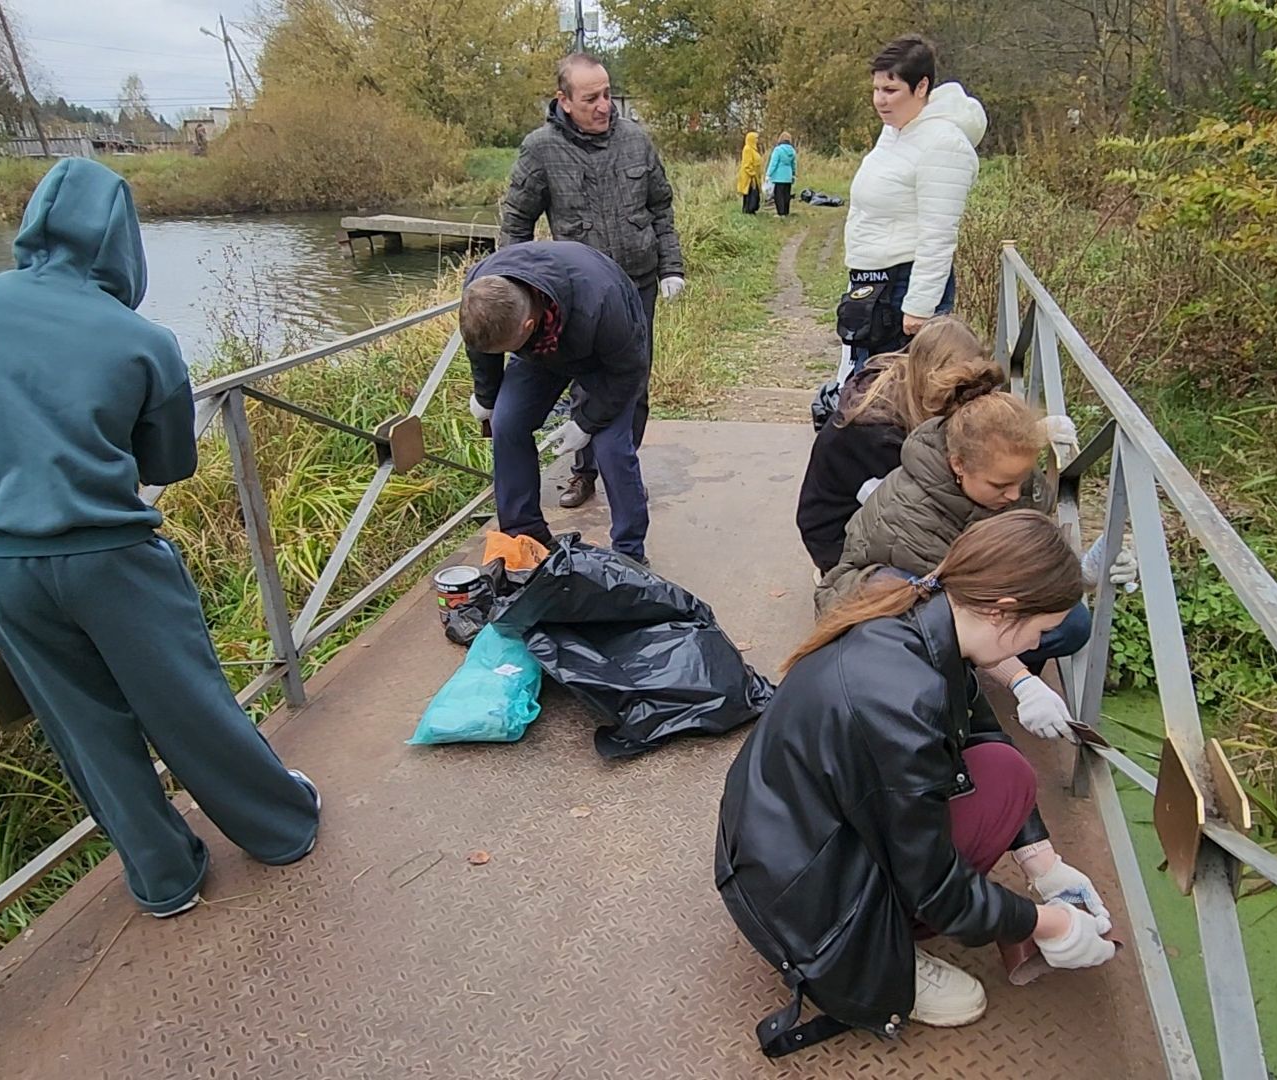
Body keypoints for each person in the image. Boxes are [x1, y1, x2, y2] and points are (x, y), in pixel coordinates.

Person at [0, 158, 320, 919]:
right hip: (111, 554)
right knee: (186, 700)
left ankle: (163, 878)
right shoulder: (140, 338)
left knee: (82, 726)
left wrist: (3, 433)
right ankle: (278, 827)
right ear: (122, 241)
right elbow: (168, 464)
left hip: (1, 561)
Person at [717, 513, 1118, 1056]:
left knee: (1005, 770)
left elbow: (977, 725)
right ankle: (876, 956)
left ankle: (887, 927)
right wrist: (1050, 925)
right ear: (1003, 612)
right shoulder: (902, 704)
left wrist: (1044, 864)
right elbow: (940, 892)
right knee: (966, 998)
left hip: (789, 827)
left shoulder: (919, 607)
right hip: (803, 893)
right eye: (1041, 629)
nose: (1039, 642)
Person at [817, 391, 1138, 741]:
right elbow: (950, 612)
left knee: (1071, 623)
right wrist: (1022, 682)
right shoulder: (912, 512)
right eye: (1002, 485)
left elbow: (1024, 559)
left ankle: (972, 671)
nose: (1015, 495)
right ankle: (949, 686)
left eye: (1021, 480)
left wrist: (1083, 575)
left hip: (965, 602)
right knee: (920, 614)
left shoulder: (1009, 485)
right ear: (958, 464)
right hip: (888, 601)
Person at [502, 52, 684, 513]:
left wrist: (671, 268)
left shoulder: (636, 141)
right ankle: (584, 472)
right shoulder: (539, 150)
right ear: (563, 101)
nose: (605, 106)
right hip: (578, 295)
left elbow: (661, 207)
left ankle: (624, 469)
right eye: (591, 99)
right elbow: (515, 227)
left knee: (632, 380)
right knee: (586, 382)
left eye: (607, 94)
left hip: (637, 283)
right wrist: (516, 293)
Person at [461, 240, 652, 565]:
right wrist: (487, 396)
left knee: (610, 447)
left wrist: (586, 422)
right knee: (506, 423)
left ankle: (629, 553)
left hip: (604, 358)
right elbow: (481, 347)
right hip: (539, 354)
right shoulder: (481, 288)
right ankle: (525, 536)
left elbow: (630, 371)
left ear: (528, 326)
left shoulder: (604, 301)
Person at [795, 315, 990, 576]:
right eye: (961, 388)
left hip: (872, 512)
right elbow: (920, 508)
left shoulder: (909, 387)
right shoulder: (877, 434)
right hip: (838, 540)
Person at [839, 35, 987, 373]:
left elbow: (938, 234)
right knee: (869, 392)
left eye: (891, 91)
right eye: (876, 89)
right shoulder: (895, 131)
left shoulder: (943, 144)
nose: (880, 100)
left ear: (921, 87)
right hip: (872, 283)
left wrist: (920, 306)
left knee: (897, 399)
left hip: (904, 287)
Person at [767, 132, 798, 216]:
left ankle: (780, 213)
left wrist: (768, 174)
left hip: (779, 176)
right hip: (788, 175)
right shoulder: (792, 150)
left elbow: (773, 163)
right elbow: (794, 164)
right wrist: (794, 174)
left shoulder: (778, 150)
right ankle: (786, 211)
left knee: (779, 195)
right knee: (786, 195)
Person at [737, 131, 763, 215]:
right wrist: (752, 174)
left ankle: (751, 210)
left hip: (754, 176)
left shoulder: (753, 149)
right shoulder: (747, 149)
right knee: (750, 193)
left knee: (754, 194)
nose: (757, 140)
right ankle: (748, 210)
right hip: (749, 177)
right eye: (756, 138)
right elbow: (746, 164)